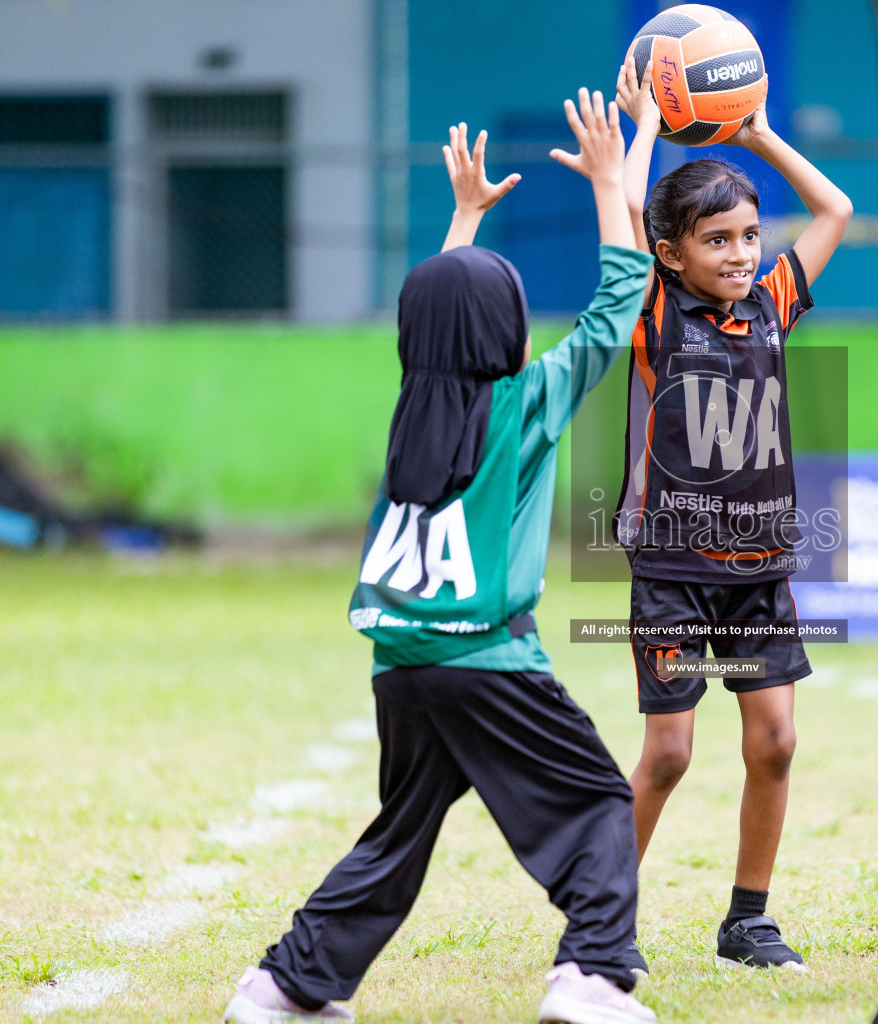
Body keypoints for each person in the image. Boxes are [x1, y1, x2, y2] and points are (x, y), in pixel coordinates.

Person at [221, 90, 658, 1024]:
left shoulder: (413, 408)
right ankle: (591, 976)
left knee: (401, 833)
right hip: (487, 660)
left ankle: (283, 987)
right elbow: (618, 304)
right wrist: (612, 184)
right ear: (503, 333)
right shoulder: (524, 402)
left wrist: (463, 221)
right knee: (595, 806)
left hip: (401, 665)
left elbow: (437, 315)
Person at [609, 62, 852, 971]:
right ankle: (606, 917)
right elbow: (622, 234)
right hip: (673, 571)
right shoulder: (653, 308)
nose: (742, 253)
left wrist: (754, 136)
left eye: (749, 236)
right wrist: (641, 133)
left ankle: (748, 920)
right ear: (671, 254)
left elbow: (833, 213)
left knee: (777, 741)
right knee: (668, 753)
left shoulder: (773, 302)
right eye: (718, 240)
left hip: (759, 575)